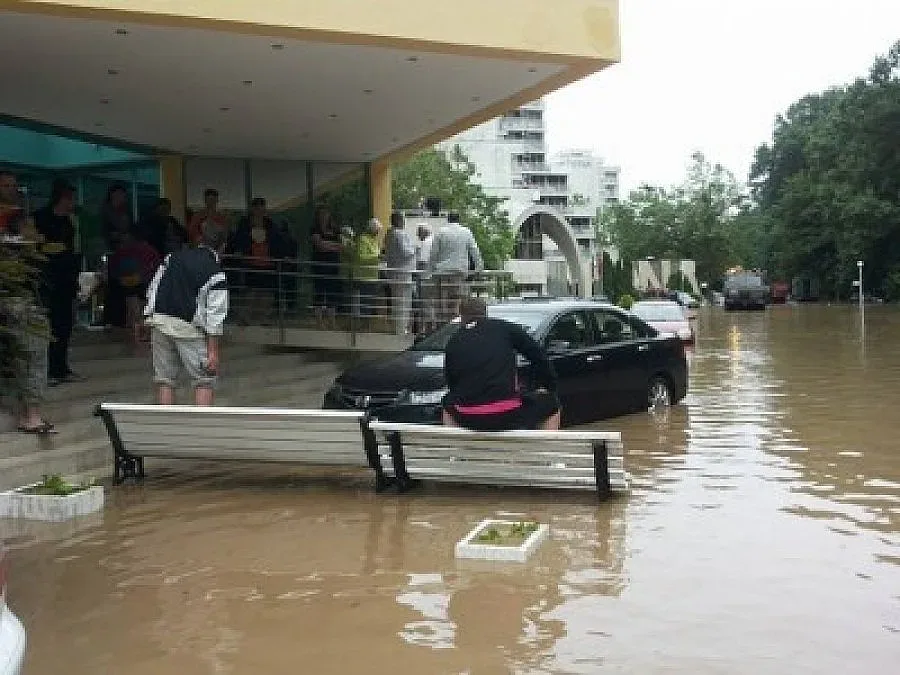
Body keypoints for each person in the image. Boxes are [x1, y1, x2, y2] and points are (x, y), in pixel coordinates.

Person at [442, 297, 560, 431]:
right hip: (507, 414)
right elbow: (539, 357)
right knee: (552, 405)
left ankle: (456, 448)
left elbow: (451, 382)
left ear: (461, 315)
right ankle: (545, 448)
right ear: (485, 312)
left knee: (447, 402)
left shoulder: (453, 340)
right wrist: (549, 386)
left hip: (468, 416)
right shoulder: (505, 328)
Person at [144, 226, 228, 406]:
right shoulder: (215, 272)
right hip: (189, 328)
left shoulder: (172, 257)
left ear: (199, 240)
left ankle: (168, 428)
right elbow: (215, 315)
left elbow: (154, 287)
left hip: (159, 322)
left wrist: (149, 314)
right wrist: (213, 352)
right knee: (204, 380)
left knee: (165, 380)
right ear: (222, 247)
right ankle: (201, 430)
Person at [0, 170, 55, 433]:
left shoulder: (23, 222)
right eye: (6, 186)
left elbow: (38, 241)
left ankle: (30, 413)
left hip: (24, 297)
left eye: (13, 186)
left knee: (33, 350)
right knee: (28, 351)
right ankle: (28, 414)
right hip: (12, 298)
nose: (11, 190)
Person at [33, 179, 83, 386]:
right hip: (48, 278)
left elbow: (75, 248)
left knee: (64, 325)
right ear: (63, 199)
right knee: (49, 327)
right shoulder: (41, 218)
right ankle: (48, 371)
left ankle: (61, 367)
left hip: (67, 278)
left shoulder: (70, 222)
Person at [228, 197, 284, 323]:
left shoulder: (270, 225)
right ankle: (246, 317)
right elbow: (238, 240)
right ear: (253, 209)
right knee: (250, 291)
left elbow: (278, 241)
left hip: (267, 262)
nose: (259, 211)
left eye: (262, 208)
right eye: (257, 208)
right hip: (251, 261)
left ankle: (263, 316)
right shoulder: (245, 224)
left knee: (266, 293)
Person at [428, 212, 483, 323]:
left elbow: (433, 254)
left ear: (448, 219)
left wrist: (430, 271)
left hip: (442, 273)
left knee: (442, 304)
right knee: (458, 302)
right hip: (459, 272)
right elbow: (474, 250)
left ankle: (443, 327)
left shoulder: (441, 232)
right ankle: (457, 325)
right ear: (459, 219)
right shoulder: (466, 232)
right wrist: (478, 267)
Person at [108, 229, 161, 342]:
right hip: (137, 282)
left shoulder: (124, 251)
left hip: (136, 282)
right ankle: (138, 333)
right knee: (138, 310)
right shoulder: (145, 250)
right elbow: (156, 266)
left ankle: (137, 333)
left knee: (135, 309)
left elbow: (114, 269)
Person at [383, 212, 416, 334]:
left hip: (393, 271)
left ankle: (397, 327)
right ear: (398, 221)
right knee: (403, 302)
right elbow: (405, 252)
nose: (404, 222)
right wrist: (415, 249)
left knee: (396, 300)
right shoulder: (399, 234)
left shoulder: (389, 234)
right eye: (402, 220)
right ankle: (401, 329)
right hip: (403, 272)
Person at [310, 205, 343, 324]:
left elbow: (341, 246)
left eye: (326, 213)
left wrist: (326, 244)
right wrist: (332, 245)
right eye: (321, 214)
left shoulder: (335, 229)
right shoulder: (315, 229)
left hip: (333, 264)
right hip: (320, 264)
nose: (324, 216)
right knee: (319, 290)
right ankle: (319, 320)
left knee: (332, 291)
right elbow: (319, 246)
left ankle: (332, 320)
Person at [346, 218, 383, 322]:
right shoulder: (362, 239)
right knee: (363, 303)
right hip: (363, 277)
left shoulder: (374, 240)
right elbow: (361, 256)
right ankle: (360, 325)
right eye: (377, 231)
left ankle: (366, 324)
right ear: (372, 229)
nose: (378, 233)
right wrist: (377, 258)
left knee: (369, 302)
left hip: (372, 276)